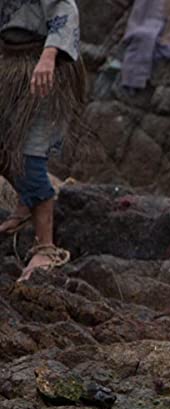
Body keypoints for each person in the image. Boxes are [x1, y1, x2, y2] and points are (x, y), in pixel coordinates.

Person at [0, 0, 85, 282]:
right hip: (8, 62)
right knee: (3, 151)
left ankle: (45, 247)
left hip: (42, 65)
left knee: (29, 156)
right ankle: (26, 201)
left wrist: (48, 56)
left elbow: (65, 9)